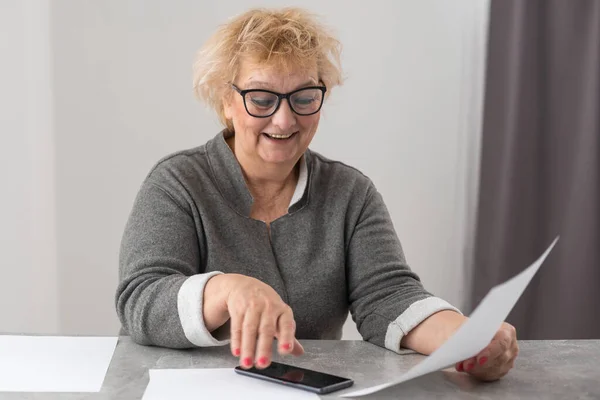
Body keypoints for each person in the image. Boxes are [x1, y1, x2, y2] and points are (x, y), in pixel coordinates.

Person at [115, 7, 518, 382]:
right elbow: (142, 299)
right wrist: (226, 290)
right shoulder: (177, 183)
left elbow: (389, 296)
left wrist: (467, 341)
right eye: (261, 98)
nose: (285, 119)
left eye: (304, 97)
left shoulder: (350, 193)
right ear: (226, 101)